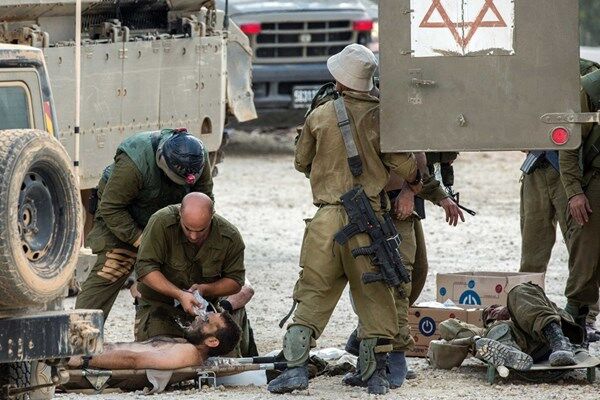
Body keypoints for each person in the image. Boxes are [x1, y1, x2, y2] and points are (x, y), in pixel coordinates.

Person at [267, 44, 420, 395]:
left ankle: (294, 370)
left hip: (325, 219)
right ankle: (374, 373)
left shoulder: (319, 115)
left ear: (339, 79)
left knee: (313, 292)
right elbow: (406, 166)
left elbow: (301, 162)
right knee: (375, 293)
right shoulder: (383, 115)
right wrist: (414, 181)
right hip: (368, 220)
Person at [343, 154, 464, 388]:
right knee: (394, 279)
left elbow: (417, 163)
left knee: (417, 273)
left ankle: (369, 339)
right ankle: (390, 353)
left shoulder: (407, 125)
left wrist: (440, 197)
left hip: (404, 201)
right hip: (376, 206)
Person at [76, 128, 213, 320]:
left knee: (191, 267)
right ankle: (79, 337)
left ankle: (173, 331)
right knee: (111, 270)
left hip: (168, 215)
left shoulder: (198, 158)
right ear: (161, 160)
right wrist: (142, 241)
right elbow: (111, 208)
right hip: (123, 218)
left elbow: (204, 201)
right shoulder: (133, 163)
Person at [134, 192, 257, 357]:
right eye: (188, 229)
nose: (193, 236)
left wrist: (205, 290)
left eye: (201, 230)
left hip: (204, 310)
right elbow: (144, 268)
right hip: (161, 305)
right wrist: (179, 294)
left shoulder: (229, 237)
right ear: (180, 215)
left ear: (212, 216)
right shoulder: (161, 222)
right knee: (161, 356)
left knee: (224, 360)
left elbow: (235, 281)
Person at [437, 283, 584, 370]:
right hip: (518, 345)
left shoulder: (524, 305)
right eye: (488, 313)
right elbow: (446, 326)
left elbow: (544, 308)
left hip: (546, 334)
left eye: (494, 308)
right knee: (494, 332)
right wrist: (474, 340)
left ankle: (559, 342)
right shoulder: (488, 329)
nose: (491, 312)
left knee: (518, 290)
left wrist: (512, 310)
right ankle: (510, 353)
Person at [560, 65, 600, 343]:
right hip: (596, 184)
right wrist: (574, 192)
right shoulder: (591, 88)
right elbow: (569, 143)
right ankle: (573, 325)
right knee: (585, 257)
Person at [68, 312, 241, 371]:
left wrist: (84, 358)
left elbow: (135, 360)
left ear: (212, 341)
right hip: (85, 354)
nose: (198, 318)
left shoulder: (189, 353)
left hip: (83, 361)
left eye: (206, 322)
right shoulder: (183, 344)